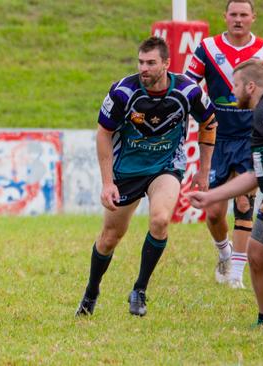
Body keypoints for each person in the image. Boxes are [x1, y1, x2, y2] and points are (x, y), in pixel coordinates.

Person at [75, 36, 217, 317]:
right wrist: (107, 183)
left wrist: (202, 171)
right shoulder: (122, 92)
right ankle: (92, 291)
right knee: (110, 237)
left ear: (166, 64)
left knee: (160, 219)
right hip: (126, 171)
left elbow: (209, 122)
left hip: (166, 167)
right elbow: (103, 133)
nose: (144, 68)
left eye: (151, 63)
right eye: (141, 62)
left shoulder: (188, 91)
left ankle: (139, 289)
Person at [186, 0, 263, 288]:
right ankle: (224, 252)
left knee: (243, 202)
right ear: (224, 17)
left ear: (253, 18)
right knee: (213, 211)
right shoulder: (207, 48)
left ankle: (237, 274)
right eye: (233, 14)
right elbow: (189, 86)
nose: (238, 19)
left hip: (253, 135)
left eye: (243, 15)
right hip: (217, 137)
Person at [188, 59, 263, 326]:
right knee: (256, 254)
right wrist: (212, 196)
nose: (232, 93)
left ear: (250, 86)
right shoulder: (261, 110)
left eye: (235, 85)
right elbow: (254, 174)